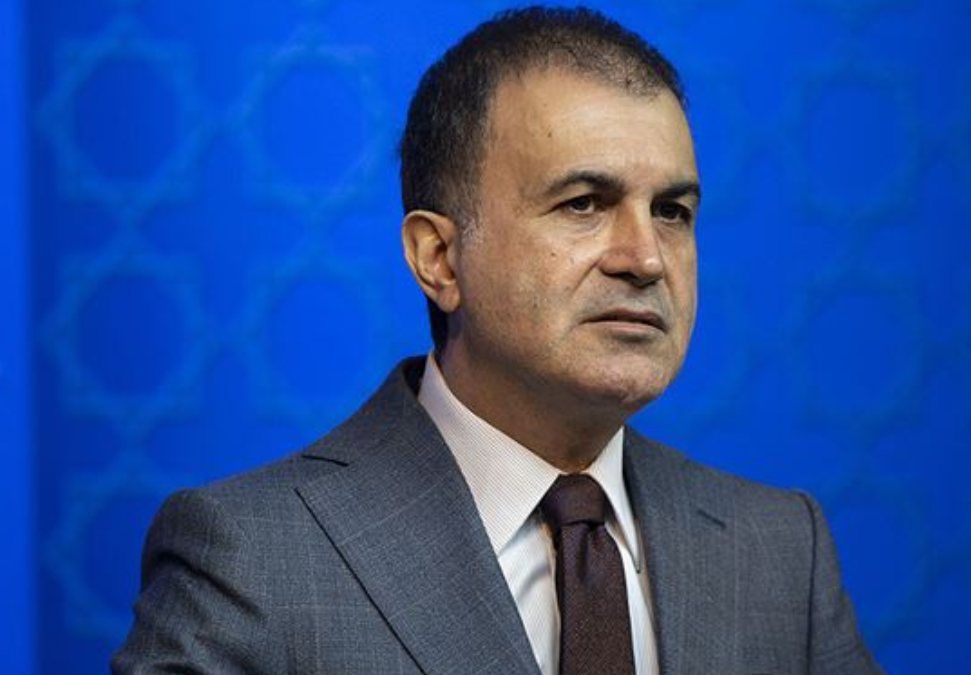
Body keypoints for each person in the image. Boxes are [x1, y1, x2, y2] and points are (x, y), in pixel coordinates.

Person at [112, 6, 881, 674]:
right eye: (584, 203)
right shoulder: (251, 557)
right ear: (440, 259)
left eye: (672, 212)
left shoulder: (783, 550)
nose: (646, 258)